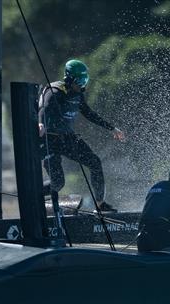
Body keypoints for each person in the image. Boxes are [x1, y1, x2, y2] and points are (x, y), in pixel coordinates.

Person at [38, 59, 125, 213]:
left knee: (95, 163)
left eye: (85, 80)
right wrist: (40, 124)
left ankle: (100, 205)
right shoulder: (55, 92)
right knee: (58, 183)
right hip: (48, 140)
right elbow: (44, 110)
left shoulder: (78, 95)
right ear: (69, 78)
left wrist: (111, 128)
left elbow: (89, 113)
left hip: (67, 138)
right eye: (80, 81)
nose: (82, 84)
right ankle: (32, 193)